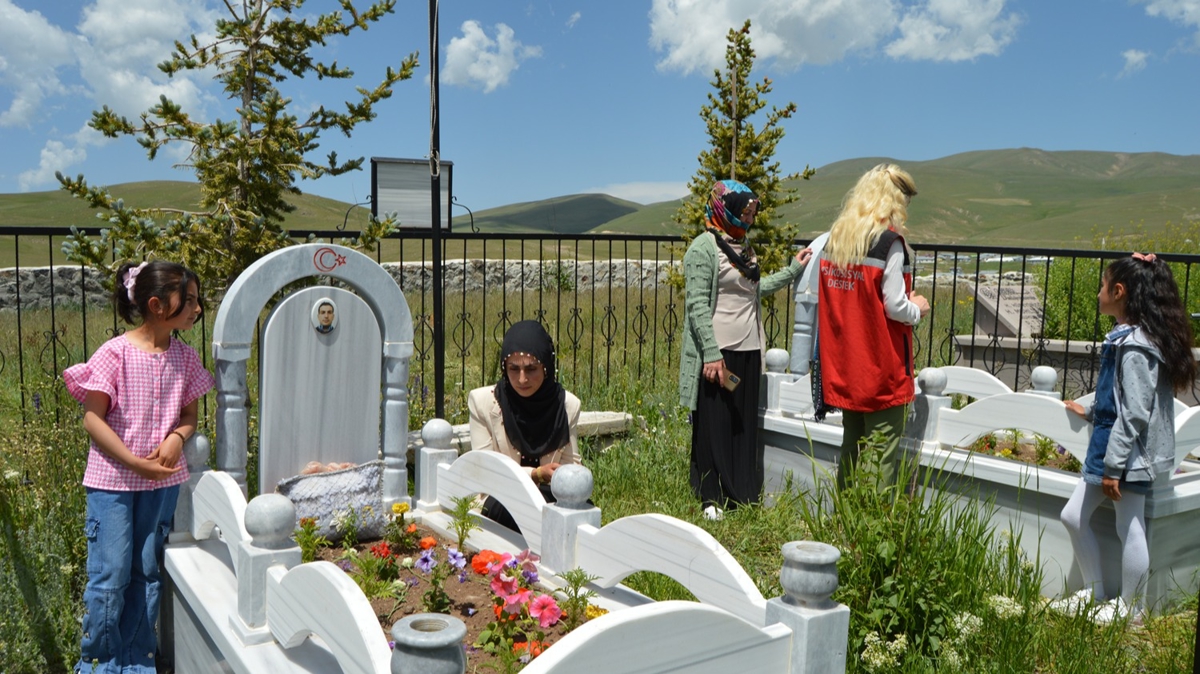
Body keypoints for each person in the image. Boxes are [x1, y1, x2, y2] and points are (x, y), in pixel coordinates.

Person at [62, 261, 214, 674]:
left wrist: (177, 437)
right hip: (112, 482)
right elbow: (92, 418)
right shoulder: (115, 354)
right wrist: (132, 462)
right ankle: (98, 663)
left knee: (146, 570)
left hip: (159, 485)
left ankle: (136, 662)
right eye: (190, 300)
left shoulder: (185, 358)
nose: (197, 309)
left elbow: (189, 416)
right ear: (157, 305)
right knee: (110, 574)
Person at [1053, 253, 1196, 624]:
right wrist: (1090, 410)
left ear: (1119, 292)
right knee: (1073, 516)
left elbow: (1134, 411)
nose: (1098, 292)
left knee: (1128, 525)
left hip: (1126, 454)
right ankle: (1095, 591)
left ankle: (1132, 609)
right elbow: (1118, 397)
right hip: (1110, 445)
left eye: (1103, 285)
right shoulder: (1126, 339)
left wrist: (1114, 467)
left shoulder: (1136, 346)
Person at [679, 179, 813, 520]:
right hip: (718, 352)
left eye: (753, 213)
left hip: (749, 349)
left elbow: (754, 289)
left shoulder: (744, 247)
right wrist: (711, 353)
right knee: (714, 425)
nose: (750, 218)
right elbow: (696, 305)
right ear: (726, 209)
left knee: (741, 424)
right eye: (746, 212)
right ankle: (710, 496)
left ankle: (740, 493)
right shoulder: (702, 248)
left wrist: (792, 271)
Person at [816, 164, 930, 490]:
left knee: (851, 449)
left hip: (845, 366)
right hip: (881, 368)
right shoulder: (889, 243)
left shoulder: (837, 240)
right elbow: (894, 306)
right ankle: (872, 519)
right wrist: (917, 309)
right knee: (881, 455)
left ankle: (844, 514)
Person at [468, 320, 581, 532]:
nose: (522, 379)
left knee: (580, 512)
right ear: (504, 368)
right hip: (500, 494)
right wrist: (536, 474)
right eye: (514, 369)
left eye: (531, 369)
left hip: (547, 496)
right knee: (518, 511)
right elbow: (486, 472)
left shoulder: (566, 405)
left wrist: (566, 476)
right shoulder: (483, 402)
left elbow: (571, 466)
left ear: (546, 367)